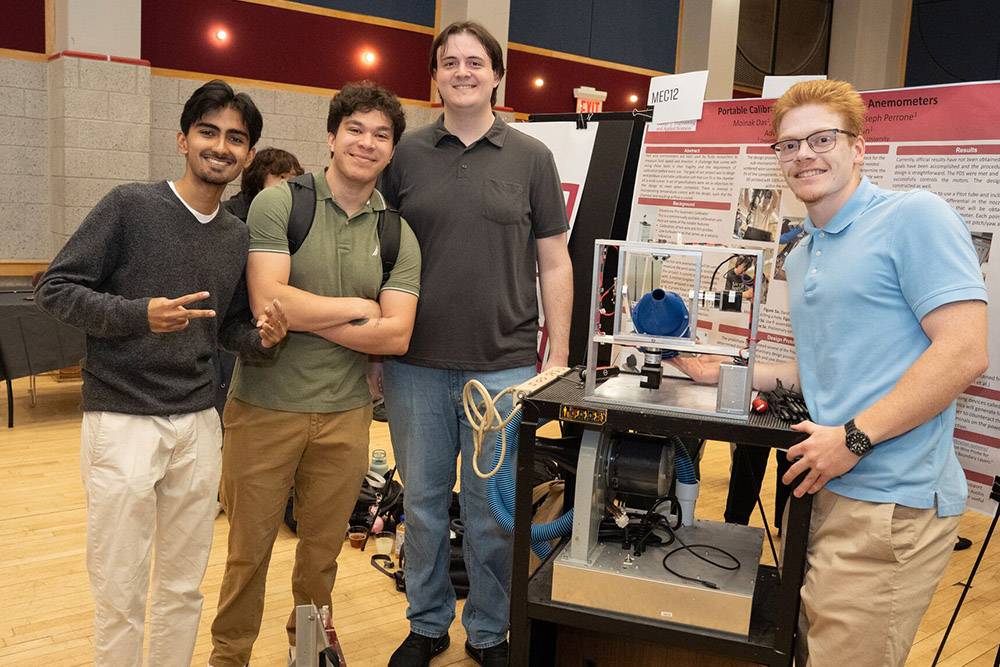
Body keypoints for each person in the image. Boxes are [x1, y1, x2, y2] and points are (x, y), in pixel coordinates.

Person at [672, 79, 988, 666]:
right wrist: (728, 374)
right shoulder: (808, 248)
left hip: (889, 505)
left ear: (858, 146)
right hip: (820, 488)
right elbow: (824, 368)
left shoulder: (913, 217)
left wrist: (855, 437)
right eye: (788, 146)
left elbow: (963, 352)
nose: (804, 156)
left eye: (822, 139)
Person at [34, 79, 288, 667]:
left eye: (235, 139)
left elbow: (223, 326)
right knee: (120, 589)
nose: (220, 147)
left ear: (247, 156)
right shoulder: (129, 205)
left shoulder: (238, 237)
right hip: (121, 421)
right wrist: (138, 315)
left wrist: (261, 338)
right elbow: (53, 288)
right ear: (182, 139)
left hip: (198, 425)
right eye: (208, 132)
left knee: (181, 587)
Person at [378, 20, 573, 667]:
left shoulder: (531, 158)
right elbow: (376, 257)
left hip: (504, 367)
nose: (462, 71)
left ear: (496, 75)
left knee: (492, 516)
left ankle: (489, 630)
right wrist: (376, 349)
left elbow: (554, 261)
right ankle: (428, 621)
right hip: (414, 366)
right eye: (449, 62)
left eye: (475, 61)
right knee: (426, 505)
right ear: (433, 77)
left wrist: (558, 355)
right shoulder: (403, 156)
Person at [209, 82, 421, 667]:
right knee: (247, 551)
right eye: (355, 129)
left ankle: (307, 647)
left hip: (345, 413)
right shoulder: (280, 204)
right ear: (331, 136)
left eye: (381, 135)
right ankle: (230, 655)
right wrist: (360, 309)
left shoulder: (397, 232)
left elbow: (397, 334)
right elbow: (266, 302)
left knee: (321, 552)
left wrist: (310, 315)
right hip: (263, 408)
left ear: (391, 150)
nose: (366, 142)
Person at [214, 147, 304, 418]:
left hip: (269, 330)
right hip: (231, 327)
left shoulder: (294, 219)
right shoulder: (227, 218)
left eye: (295, 179)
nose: (290, 187)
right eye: (282, 179)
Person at [222, 146, 304, 222]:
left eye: (293, 179)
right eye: (282, 177)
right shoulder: (227, 214)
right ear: (259, 177)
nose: (288, 184)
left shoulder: (297, 216)